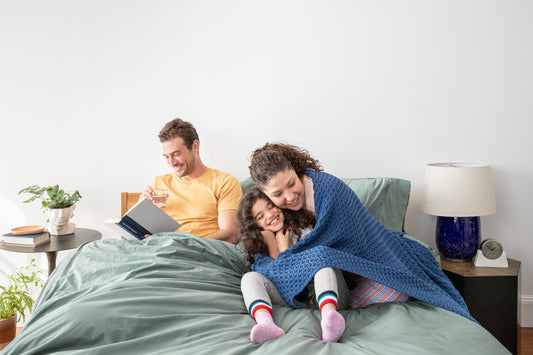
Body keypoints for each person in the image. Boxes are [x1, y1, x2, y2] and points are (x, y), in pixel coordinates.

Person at [247, 143, 475, 326]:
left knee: (387, 287)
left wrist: (288, 257)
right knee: (316, 263)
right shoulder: (278, 214)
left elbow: (345, 237)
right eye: (278, 194)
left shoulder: (328, 190)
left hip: (371, 254)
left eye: (291, 183)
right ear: (265, 195)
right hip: (339, 275)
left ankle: (337, 307)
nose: (289, 196)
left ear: (296, 171)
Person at [237, 188, 349, 343]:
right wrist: (273, 248)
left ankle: (329, 319)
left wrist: (285, 250)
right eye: (260, 216)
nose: (270, 215)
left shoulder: (301, 231)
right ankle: (266, 324)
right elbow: (276, 282)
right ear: (254, 226)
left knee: (324, 261)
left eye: (270, 206)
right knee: (249, 278)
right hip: (292, 300)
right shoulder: (258, 250)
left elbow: (309, 265)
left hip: (328, 295)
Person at [140, 118, 242, 244]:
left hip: (200, 250)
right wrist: (142, 209)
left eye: (176, 154)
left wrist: (183, 243)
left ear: (195, 146)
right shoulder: (160, 183)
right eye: (167, 157)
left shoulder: (224, 182)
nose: (171, 162)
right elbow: (148, 233)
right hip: (161, 249)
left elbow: (230, 235)